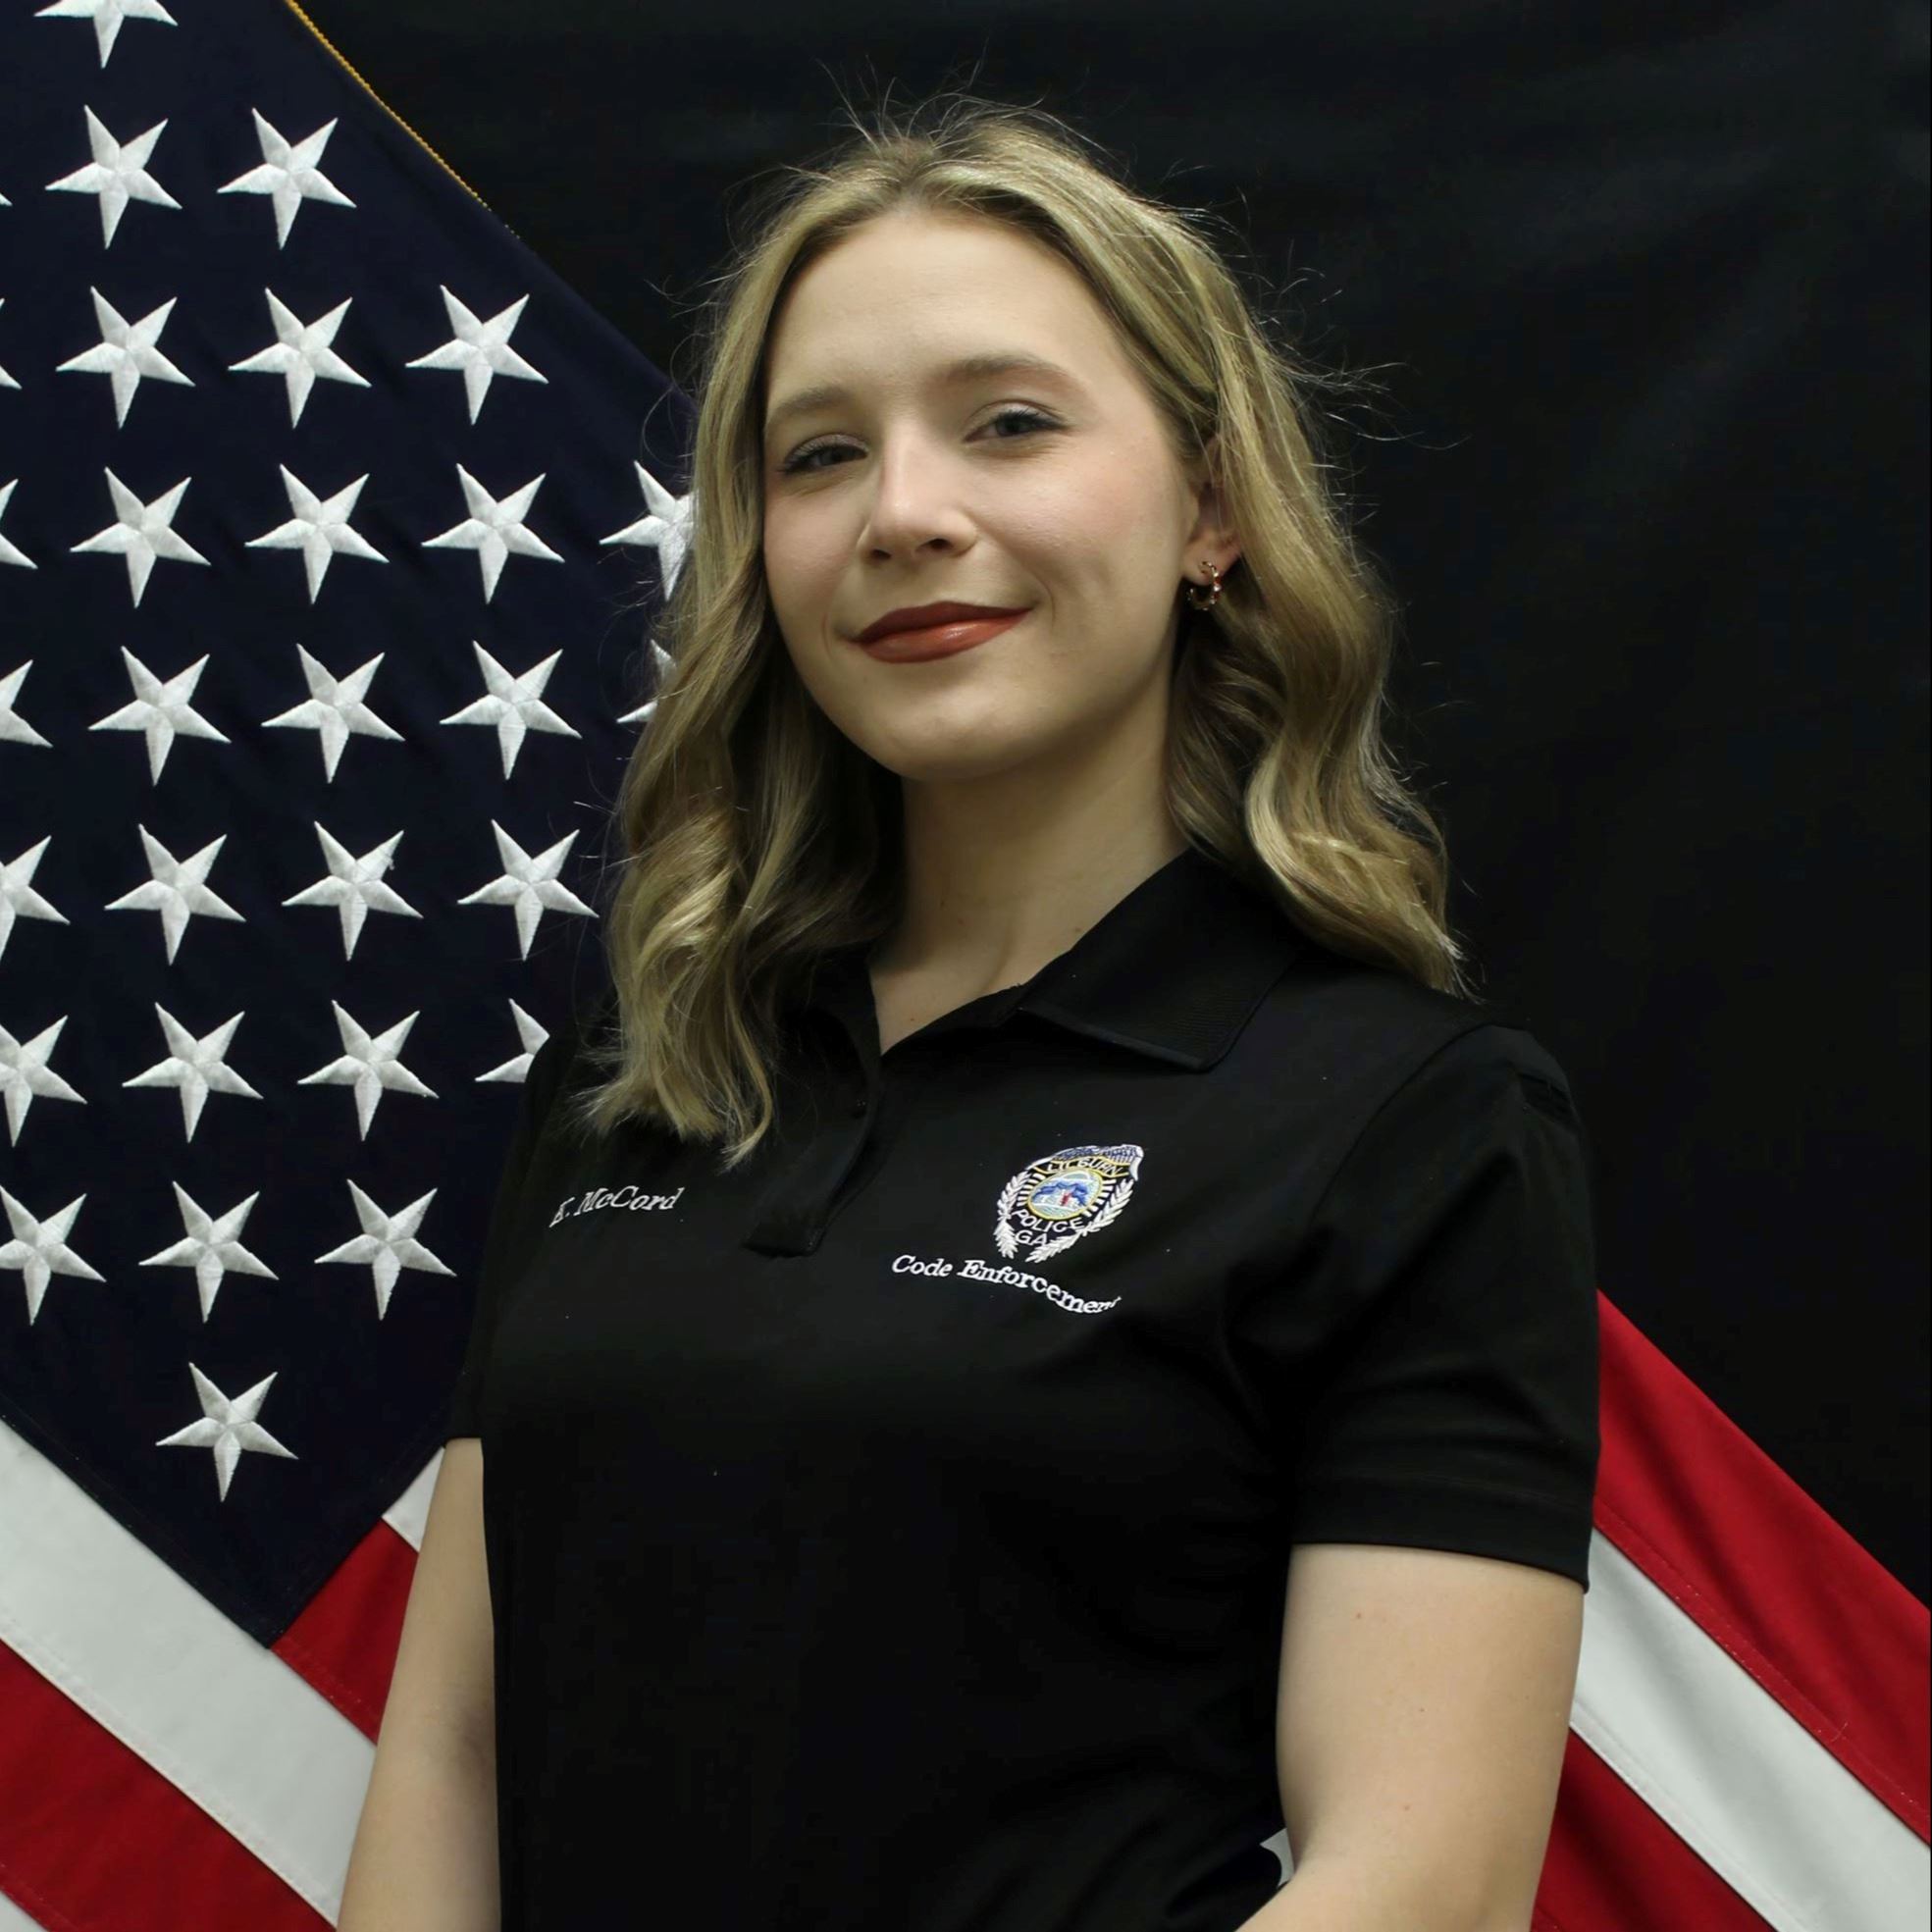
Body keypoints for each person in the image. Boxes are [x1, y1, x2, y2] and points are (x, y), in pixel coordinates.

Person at [342, 93, 1599, 1932]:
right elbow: (449, 1752)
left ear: (1213, 508)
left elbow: (1417, 1879)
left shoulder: (1411, 1120)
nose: (906, 514)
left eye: (1007, 424)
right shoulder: (645, 1082)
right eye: (819, 454)